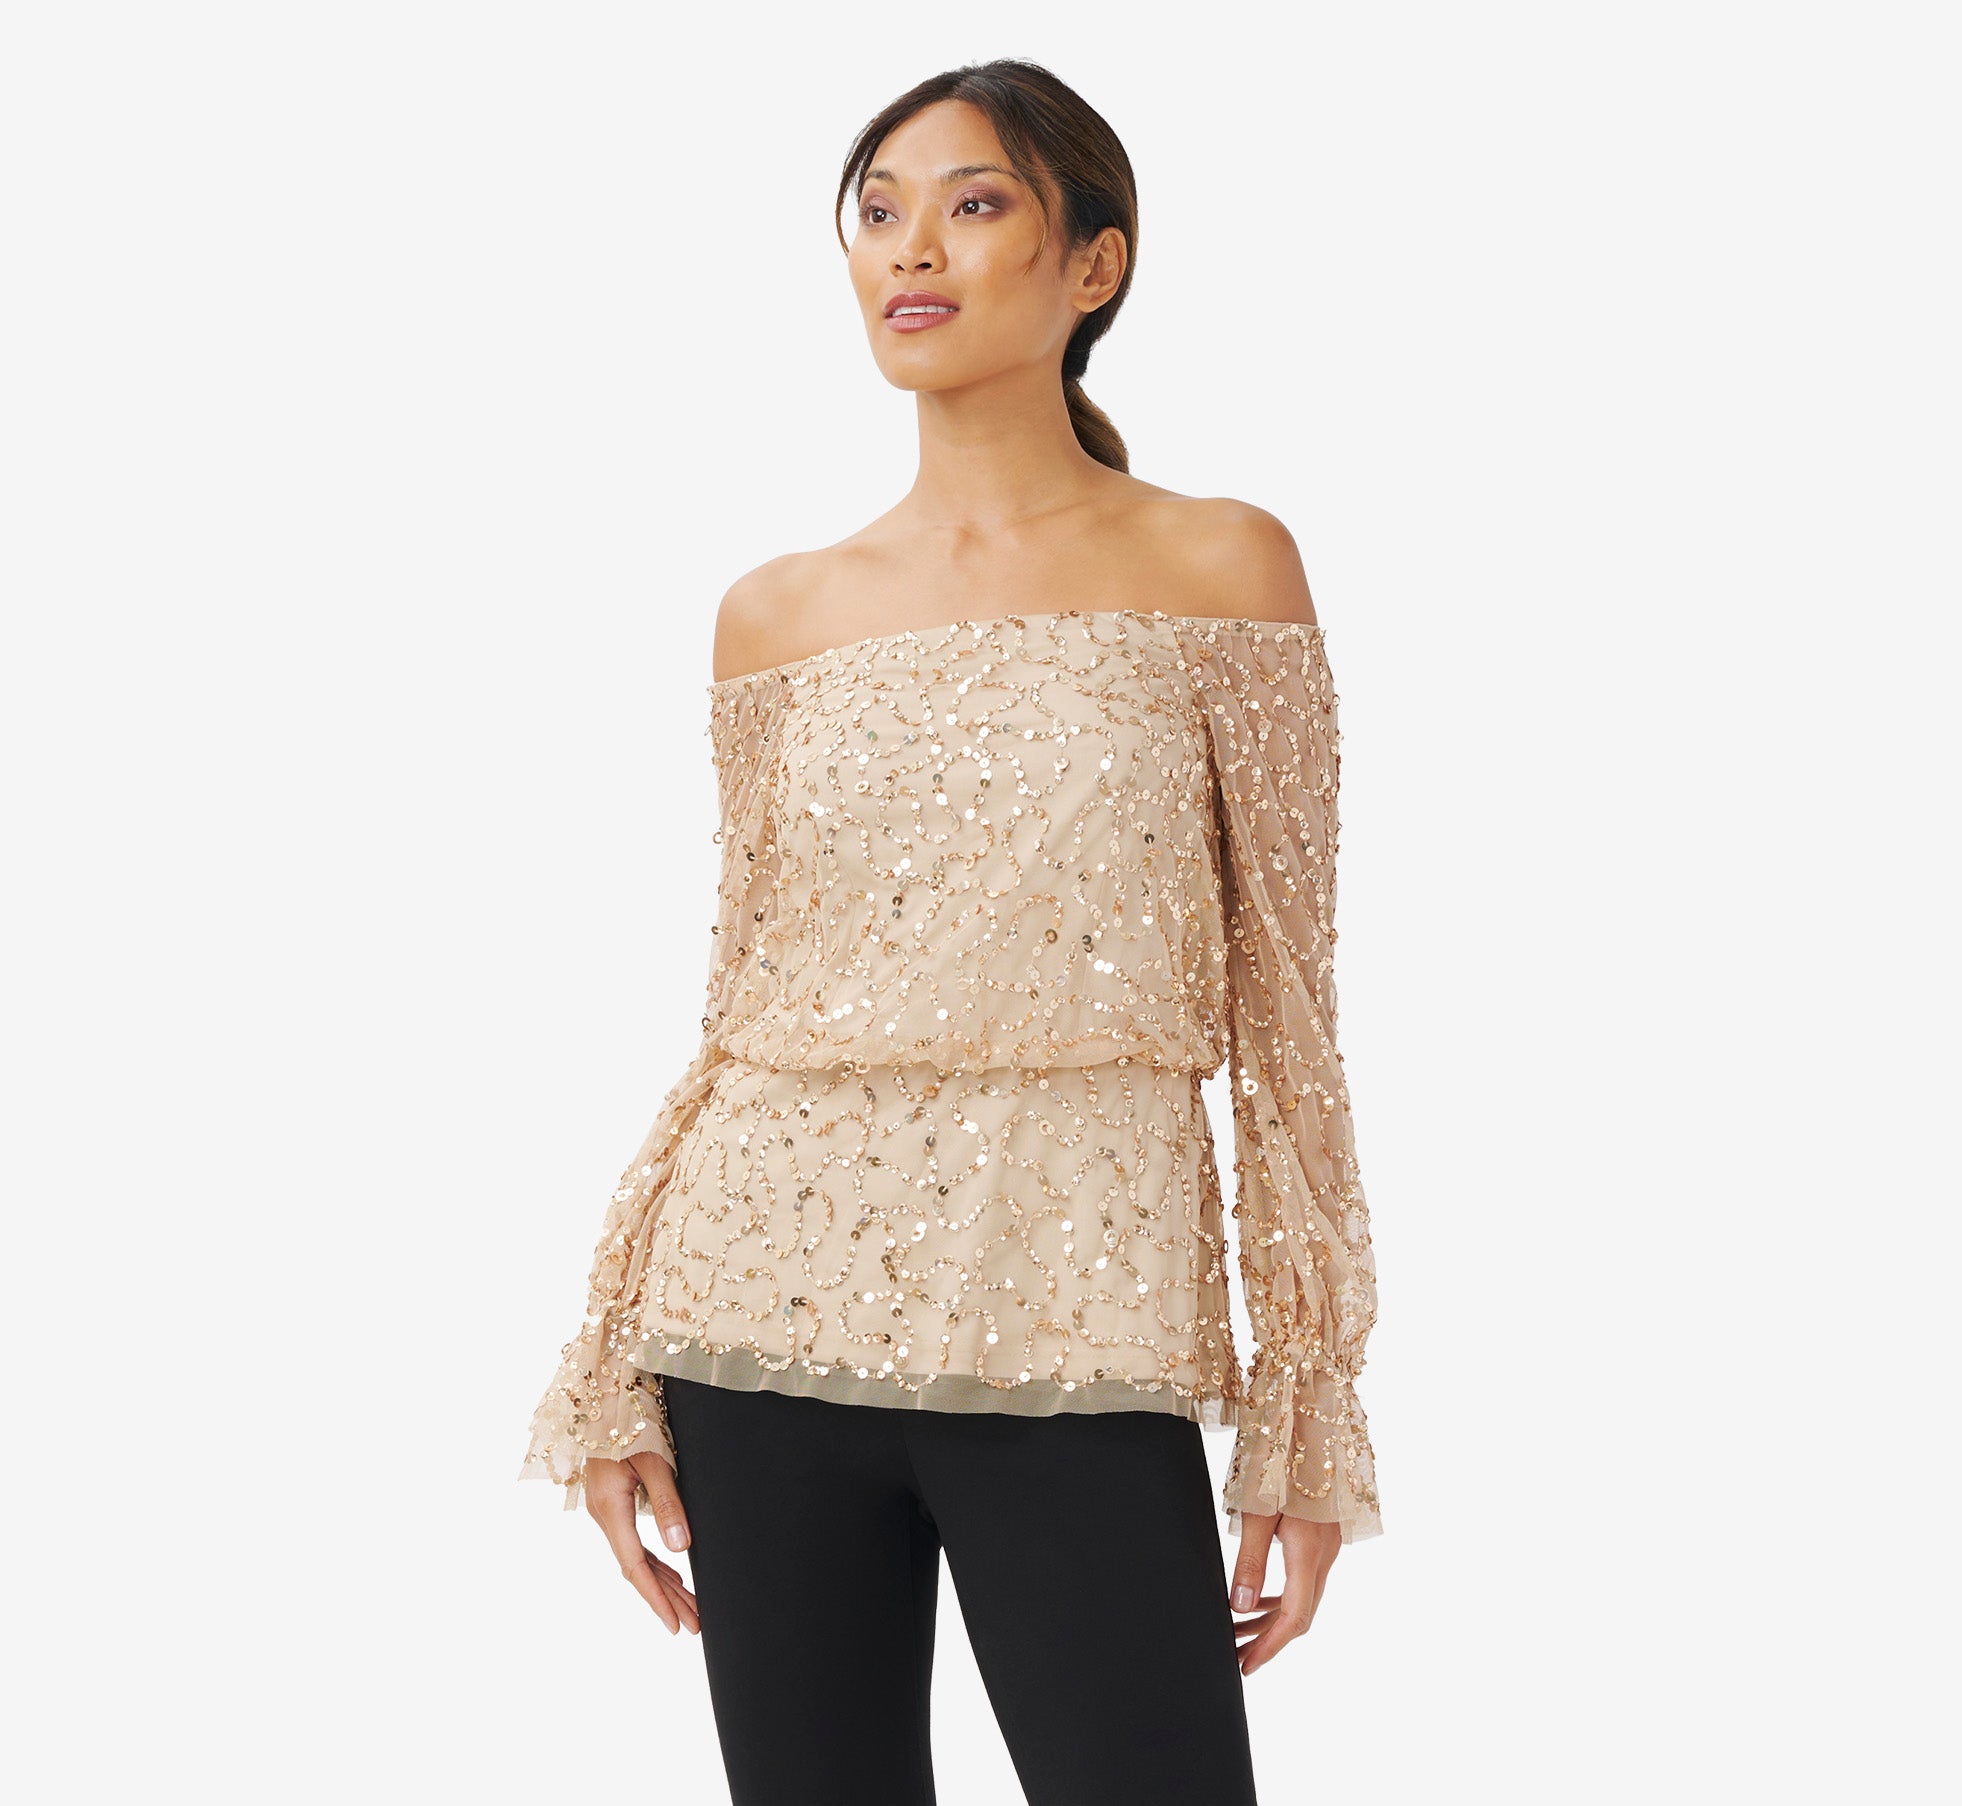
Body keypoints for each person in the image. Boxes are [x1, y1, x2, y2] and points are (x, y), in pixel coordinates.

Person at [520, 57, 1382, 1806]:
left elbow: (1288, 1010)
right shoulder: (776, 612)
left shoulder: (1220, 564)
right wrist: (611, 1350)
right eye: (878, 210)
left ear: (1094, 264)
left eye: (975, 204)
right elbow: (743, 1008)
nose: (911, 248)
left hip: (1079, 1320)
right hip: (755, 1316)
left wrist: (1306, 1394)